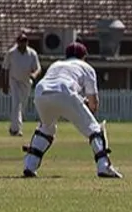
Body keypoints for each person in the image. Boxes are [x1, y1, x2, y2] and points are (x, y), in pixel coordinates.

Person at [20, 42, 122, 179]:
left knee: (46, 129)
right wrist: (83, 109)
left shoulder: (56, 64)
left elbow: (58, 88)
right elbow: (93, 104)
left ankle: (29, 165)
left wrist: (76, 104)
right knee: (95, 129)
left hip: (41, 92)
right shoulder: (86, 67)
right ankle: (104, 166)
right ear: (83, 56)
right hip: (65, 91)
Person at [2, 29, 42, 137]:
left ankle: (12, 127)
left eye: (25, 41)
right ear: (17, 42)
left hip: (26, 82)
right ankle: (17, 130)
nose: (23, 43)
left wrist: (34, 74)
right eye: (21, 41)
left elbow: (38, 68)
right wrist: (5, 84)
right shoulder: (11, 53)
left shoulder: (32, 53)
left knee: (22, 105)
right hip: (14, 80)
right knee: (16, 104)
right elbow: (5, 69)